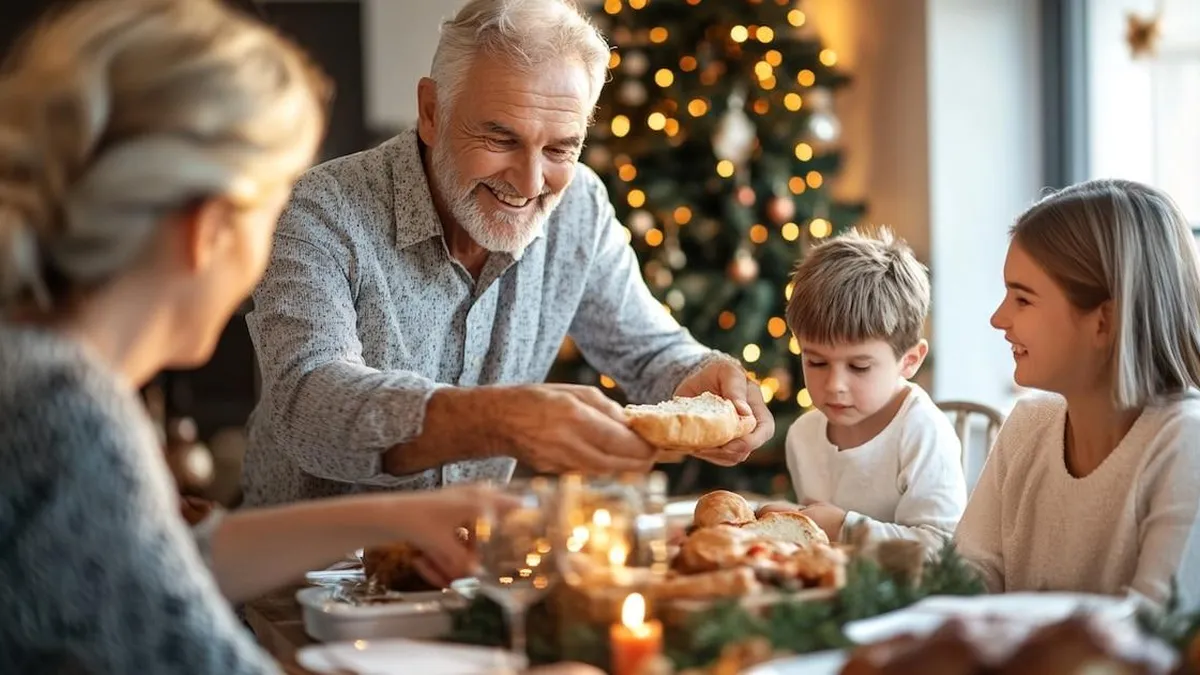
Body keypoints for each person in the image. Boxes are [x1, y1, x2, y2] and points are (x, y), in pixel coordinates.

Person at [0, 1, 512, 671]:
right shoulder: (64, 411)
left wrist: (405, 516)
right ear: (208, 228)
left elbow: (167, 565)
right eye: (272, 206)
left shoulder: (31, 367)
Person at [242, 0, 774, 507]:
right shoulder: (318, 209)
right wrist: (496, 419)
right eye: (501, 140)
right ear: (431, 111)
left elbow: (648, 352)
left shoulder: (580, 204)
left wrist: (700, 376)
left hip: (468, 566)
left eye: (561, 148)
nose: (530, 180)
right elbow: (305, 402)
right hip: (308, 581)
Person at [955, 179, 1200, 608]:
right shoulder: (1027, 423)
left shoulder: (1185, 444)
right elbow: (965, 577)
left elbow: (1155, 634)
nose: (998, 318)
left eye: (1023, 299)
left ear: (1104, 321)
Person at [757, 228, 966, 551]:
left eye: (859, 367)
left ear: (909, 361)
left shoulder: (922, 433)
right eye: (816, 362)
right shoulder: (804, 435)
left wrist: (845, 528)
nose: (834, 386)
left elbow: (943, 550)